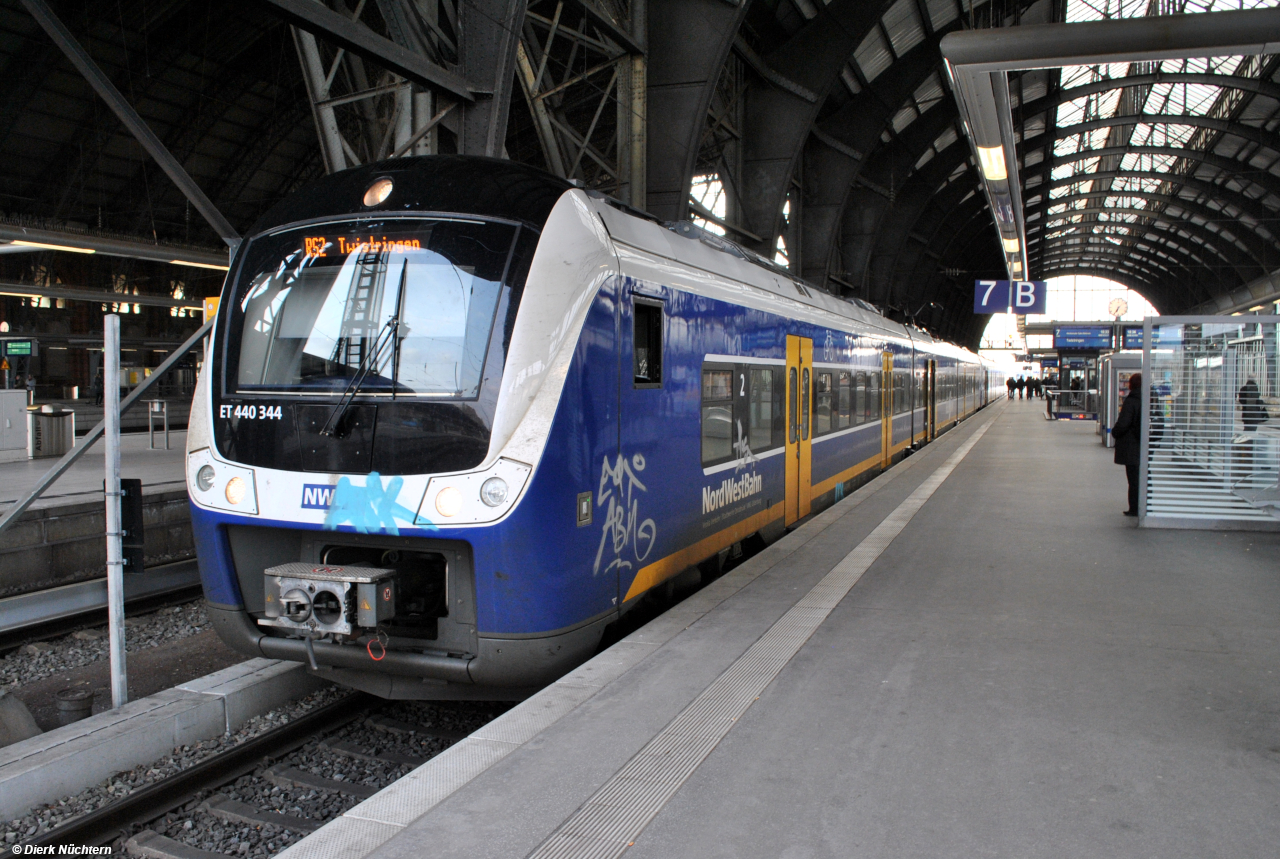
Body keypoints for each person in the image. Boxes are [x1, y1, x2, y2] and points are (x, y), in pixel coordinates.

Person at [1112, 372, 1143, 517]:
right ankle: (1145, 504)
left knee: (1133, 478)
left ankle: (1134, 508)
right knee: (1143, 476)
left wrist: (1115, 432)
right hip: (1144, 444)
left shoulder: (1131, 401)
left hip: (1131, 445)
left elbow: (1124, 423)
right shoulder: (1149, 399)